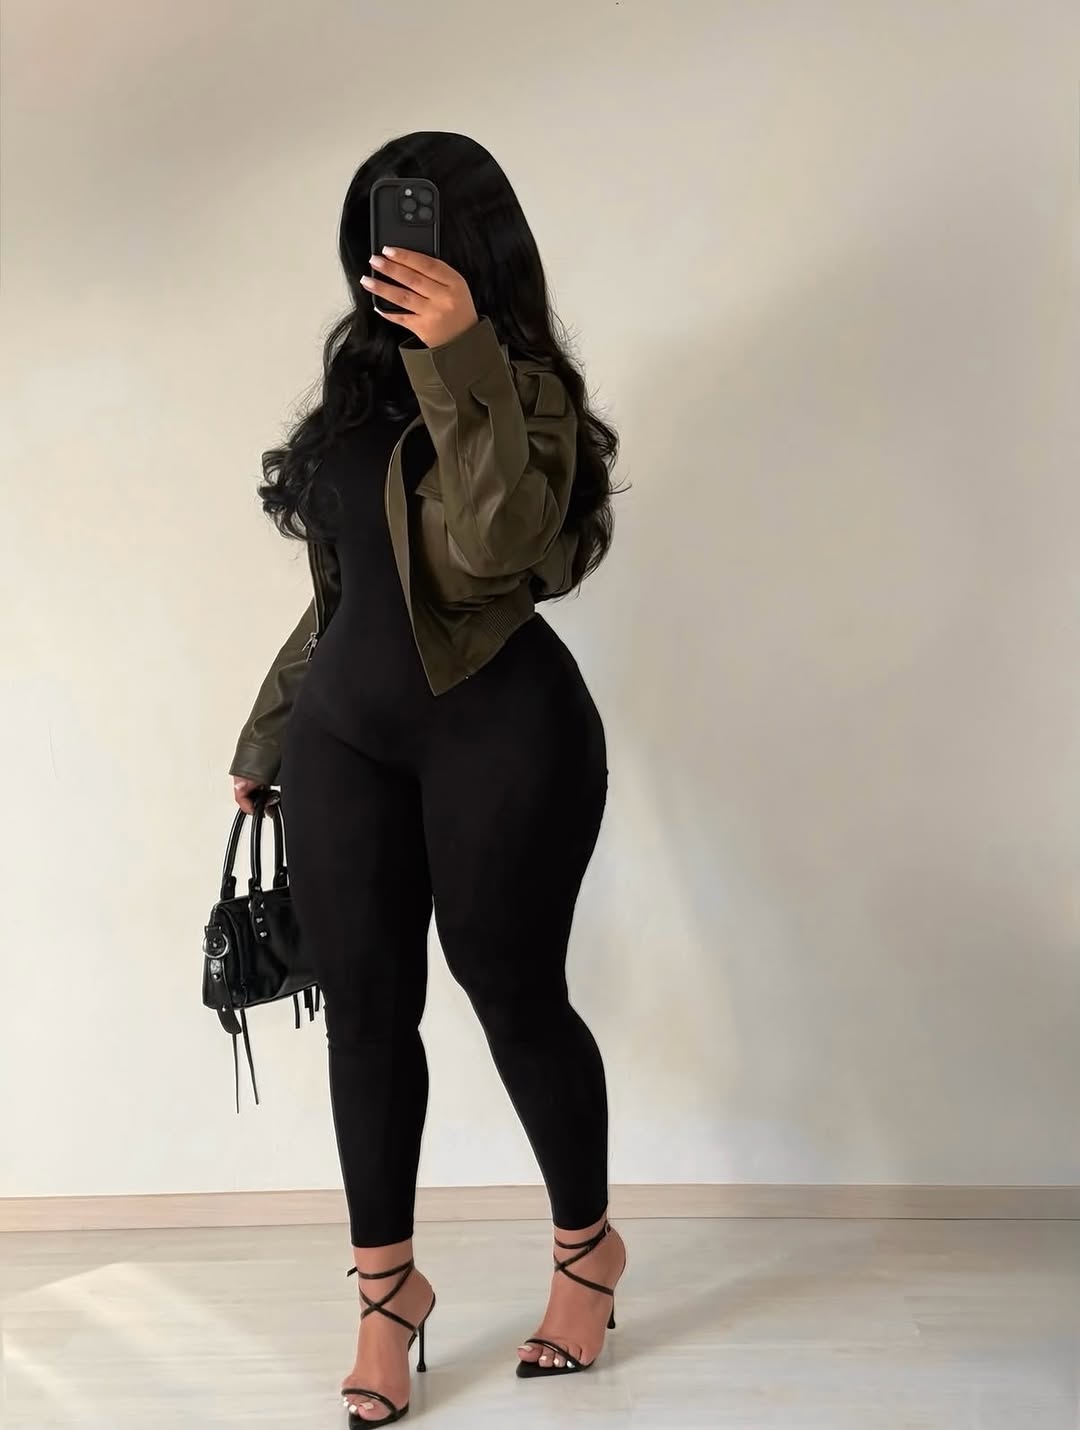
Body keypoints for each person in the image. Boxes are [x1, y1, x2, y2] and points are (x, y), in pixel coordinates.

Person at [228, 131, 625, 1424]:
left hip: (500, 730)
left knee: (514, 994)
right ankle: (387, 1294)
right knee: (365, 1012)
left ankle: (587, 1252)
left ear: (476, 244)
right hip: (343, 738)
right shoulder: (355, 386)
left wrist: (463, 361)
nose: (388, 251)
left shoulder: (525, 389)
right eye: (373, 229)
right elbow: (345, 594)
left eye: (415, 226)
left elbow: (503, 545)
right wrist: (267, 734)